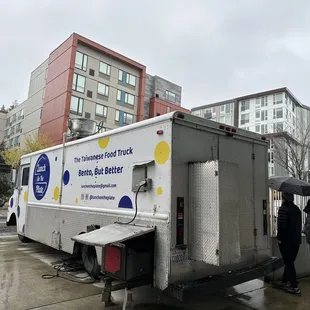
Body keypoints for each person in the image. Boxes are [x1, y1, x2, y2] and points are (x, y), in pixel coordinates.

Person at [275, 192, 302, 295]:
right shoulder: (297, 209)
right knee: (289, 262)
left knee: (289, 263)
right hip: (296, 240)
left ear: (283, 198)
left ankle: (294, 286)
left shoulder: (283, 209)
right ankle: (284, 281)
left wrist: (280, 238)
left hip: (286, 241)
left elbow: (282, 226)